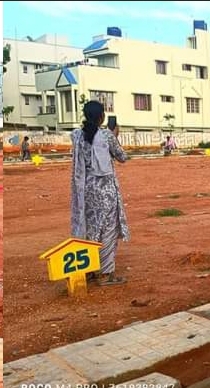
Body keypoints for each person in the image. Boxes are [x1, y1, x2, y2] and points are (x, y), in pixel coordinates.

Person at [70, 100, 130, 285]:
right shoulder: (106, 136)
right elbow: (122, 157)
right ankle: (105, 274)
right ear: (101, 116)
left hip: (85, 191)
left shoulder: (77, 135)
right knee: (108, 230)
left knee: (90, 229)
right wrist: (115, 136)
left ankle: (88, 270)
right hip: (105, 191)